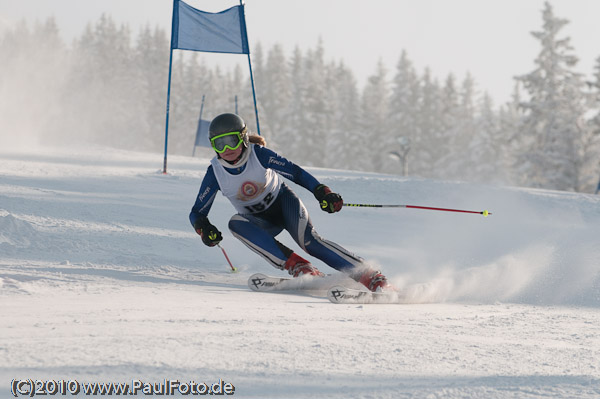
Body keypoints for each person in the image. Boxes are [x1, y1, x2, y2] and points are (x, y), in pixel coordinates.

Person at [189, 113, 390, 292]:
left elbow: (296, 173)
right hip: (261, 222)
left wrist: (322, 192)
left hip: (285, 205)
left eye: (231, 141)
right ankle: (300, 267)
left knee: (310, 242)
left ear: (242, 138)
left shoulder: (258, 154)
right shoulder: (215, 173)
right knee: (235, 224)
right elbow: (197, 212)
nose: (226, 149)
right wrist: (204, 228)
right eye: (219, 143)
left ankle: (370, 275)